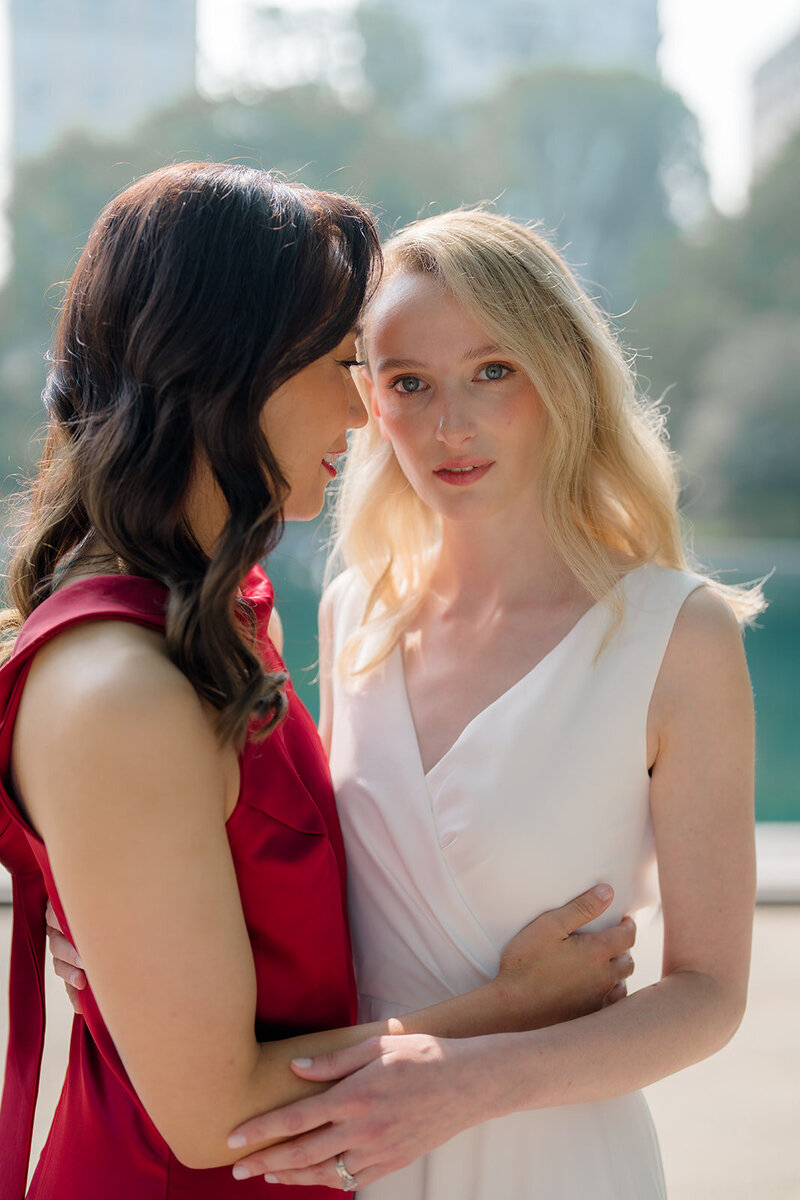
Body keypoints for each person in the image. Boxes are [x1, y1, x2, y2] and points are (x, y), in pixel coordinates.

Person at [0, 169, 636, 1200]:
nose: (365, 408)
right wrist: (509, 1007)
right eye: (345, 364)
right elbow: (214, 1116)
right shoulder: (118, 687)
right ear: (229, 362)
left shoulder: (219, 617)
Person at [219, 211, 760, 1199]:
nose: (449, 428)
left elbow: (709, 995)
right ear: (368, 400)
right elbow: (320, 898)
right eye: (407, 383)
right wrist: (137, 922)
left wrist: (465, 1082)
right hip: (363, 1160)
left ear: (563, 377)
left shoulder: (677, 635)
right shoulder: (354, 612)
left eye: (492, 372)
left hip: (557, 1160)